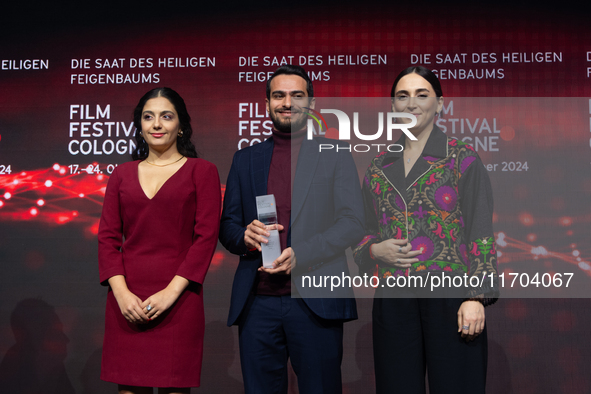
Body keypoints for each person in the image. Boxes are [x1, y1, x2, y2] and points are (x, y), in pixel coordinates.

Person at [219, 65, 365, 394]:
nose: (288, 102)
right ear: (267, 104)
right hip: (258, 302)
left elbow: (353, 222)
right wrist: (243, 236)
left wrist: (303, 254)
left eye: (297, 95)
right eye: (279, 95)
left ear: (311, 103)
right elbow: (227, 225)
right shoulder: (245, 159)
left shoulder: (335, 154)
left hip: (315, 300)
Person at [353, 66, 499, 394]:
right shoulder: (378, 167)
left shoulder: (462, 158)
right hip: (394, 297)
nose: (412, 103)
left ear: (440, 104)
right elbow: (362, 231)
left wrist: (476, 296)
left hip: (451, 295)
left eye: (422, 95)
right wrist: (374, 250)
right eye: (403, 96)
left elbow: (481, 230)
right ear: (393, 107)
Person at [98, 87, 221, 394]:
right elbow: (108, 238)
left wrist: (169, 294)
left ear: (181, 126)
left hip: (179, 300)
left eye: (166, 117)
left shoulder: (202, 171)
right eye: (148, 117)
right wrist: (122, 295)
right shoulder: (121, 174)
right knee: (129, 388)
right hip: (127, 300)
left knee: (174, 387)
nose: (156, 124)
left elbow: (205, 238)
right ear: (139, 125)